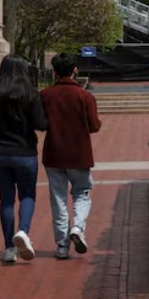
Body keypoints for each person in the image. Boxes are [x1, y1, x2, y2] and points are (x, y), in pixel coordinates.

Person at [0, 55, 48, 263]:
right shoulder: (30, 94)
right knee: (27, 195)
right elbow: (41, 124)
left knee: (6, 199)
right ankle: (23, 231)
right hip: (25, 153)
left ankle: (8, 248)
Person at [40, 52, 102, 260]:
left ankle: (62, 244)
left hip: (54, 153)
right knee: (82, 193)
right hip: (79, 154)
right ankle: (78, 227)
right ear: (75, 70)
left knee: (57, 199)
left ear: (54, 72)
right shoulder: (85, 97)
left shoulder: (45, 95)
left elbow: (40, 124)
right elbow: (94, 126)